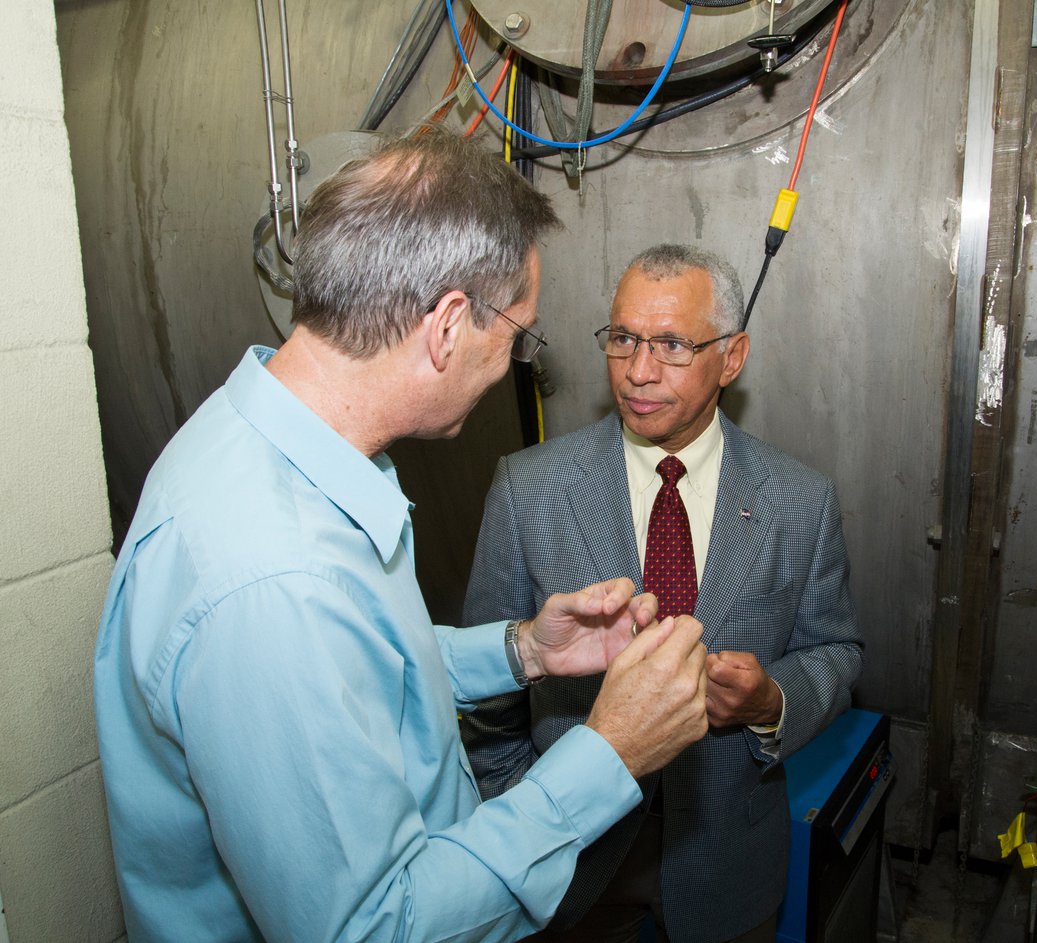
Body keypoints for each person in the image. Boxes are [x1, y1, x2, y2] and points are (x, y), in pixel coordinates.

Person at [93, 132, 711, 943]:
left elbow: (357, 674)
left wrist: (524, 650)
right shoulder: (276, 579)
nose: (510, 365)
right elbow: (376, 927)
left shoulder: (278, 447)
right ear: (449, 324)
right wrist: (610, 752)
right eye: (518, 335)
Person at [461, 244, 865, 943]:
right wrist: (523, 810)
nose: (639, 371)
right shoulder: (528, 489)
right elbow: (487, 679)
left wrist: (773, 700)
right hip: (571, 864)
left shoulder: (800, 499)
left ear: (731, 357)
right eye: (623, 339)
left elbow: (838, 649)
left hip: (728, 861)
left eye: (673, 344)